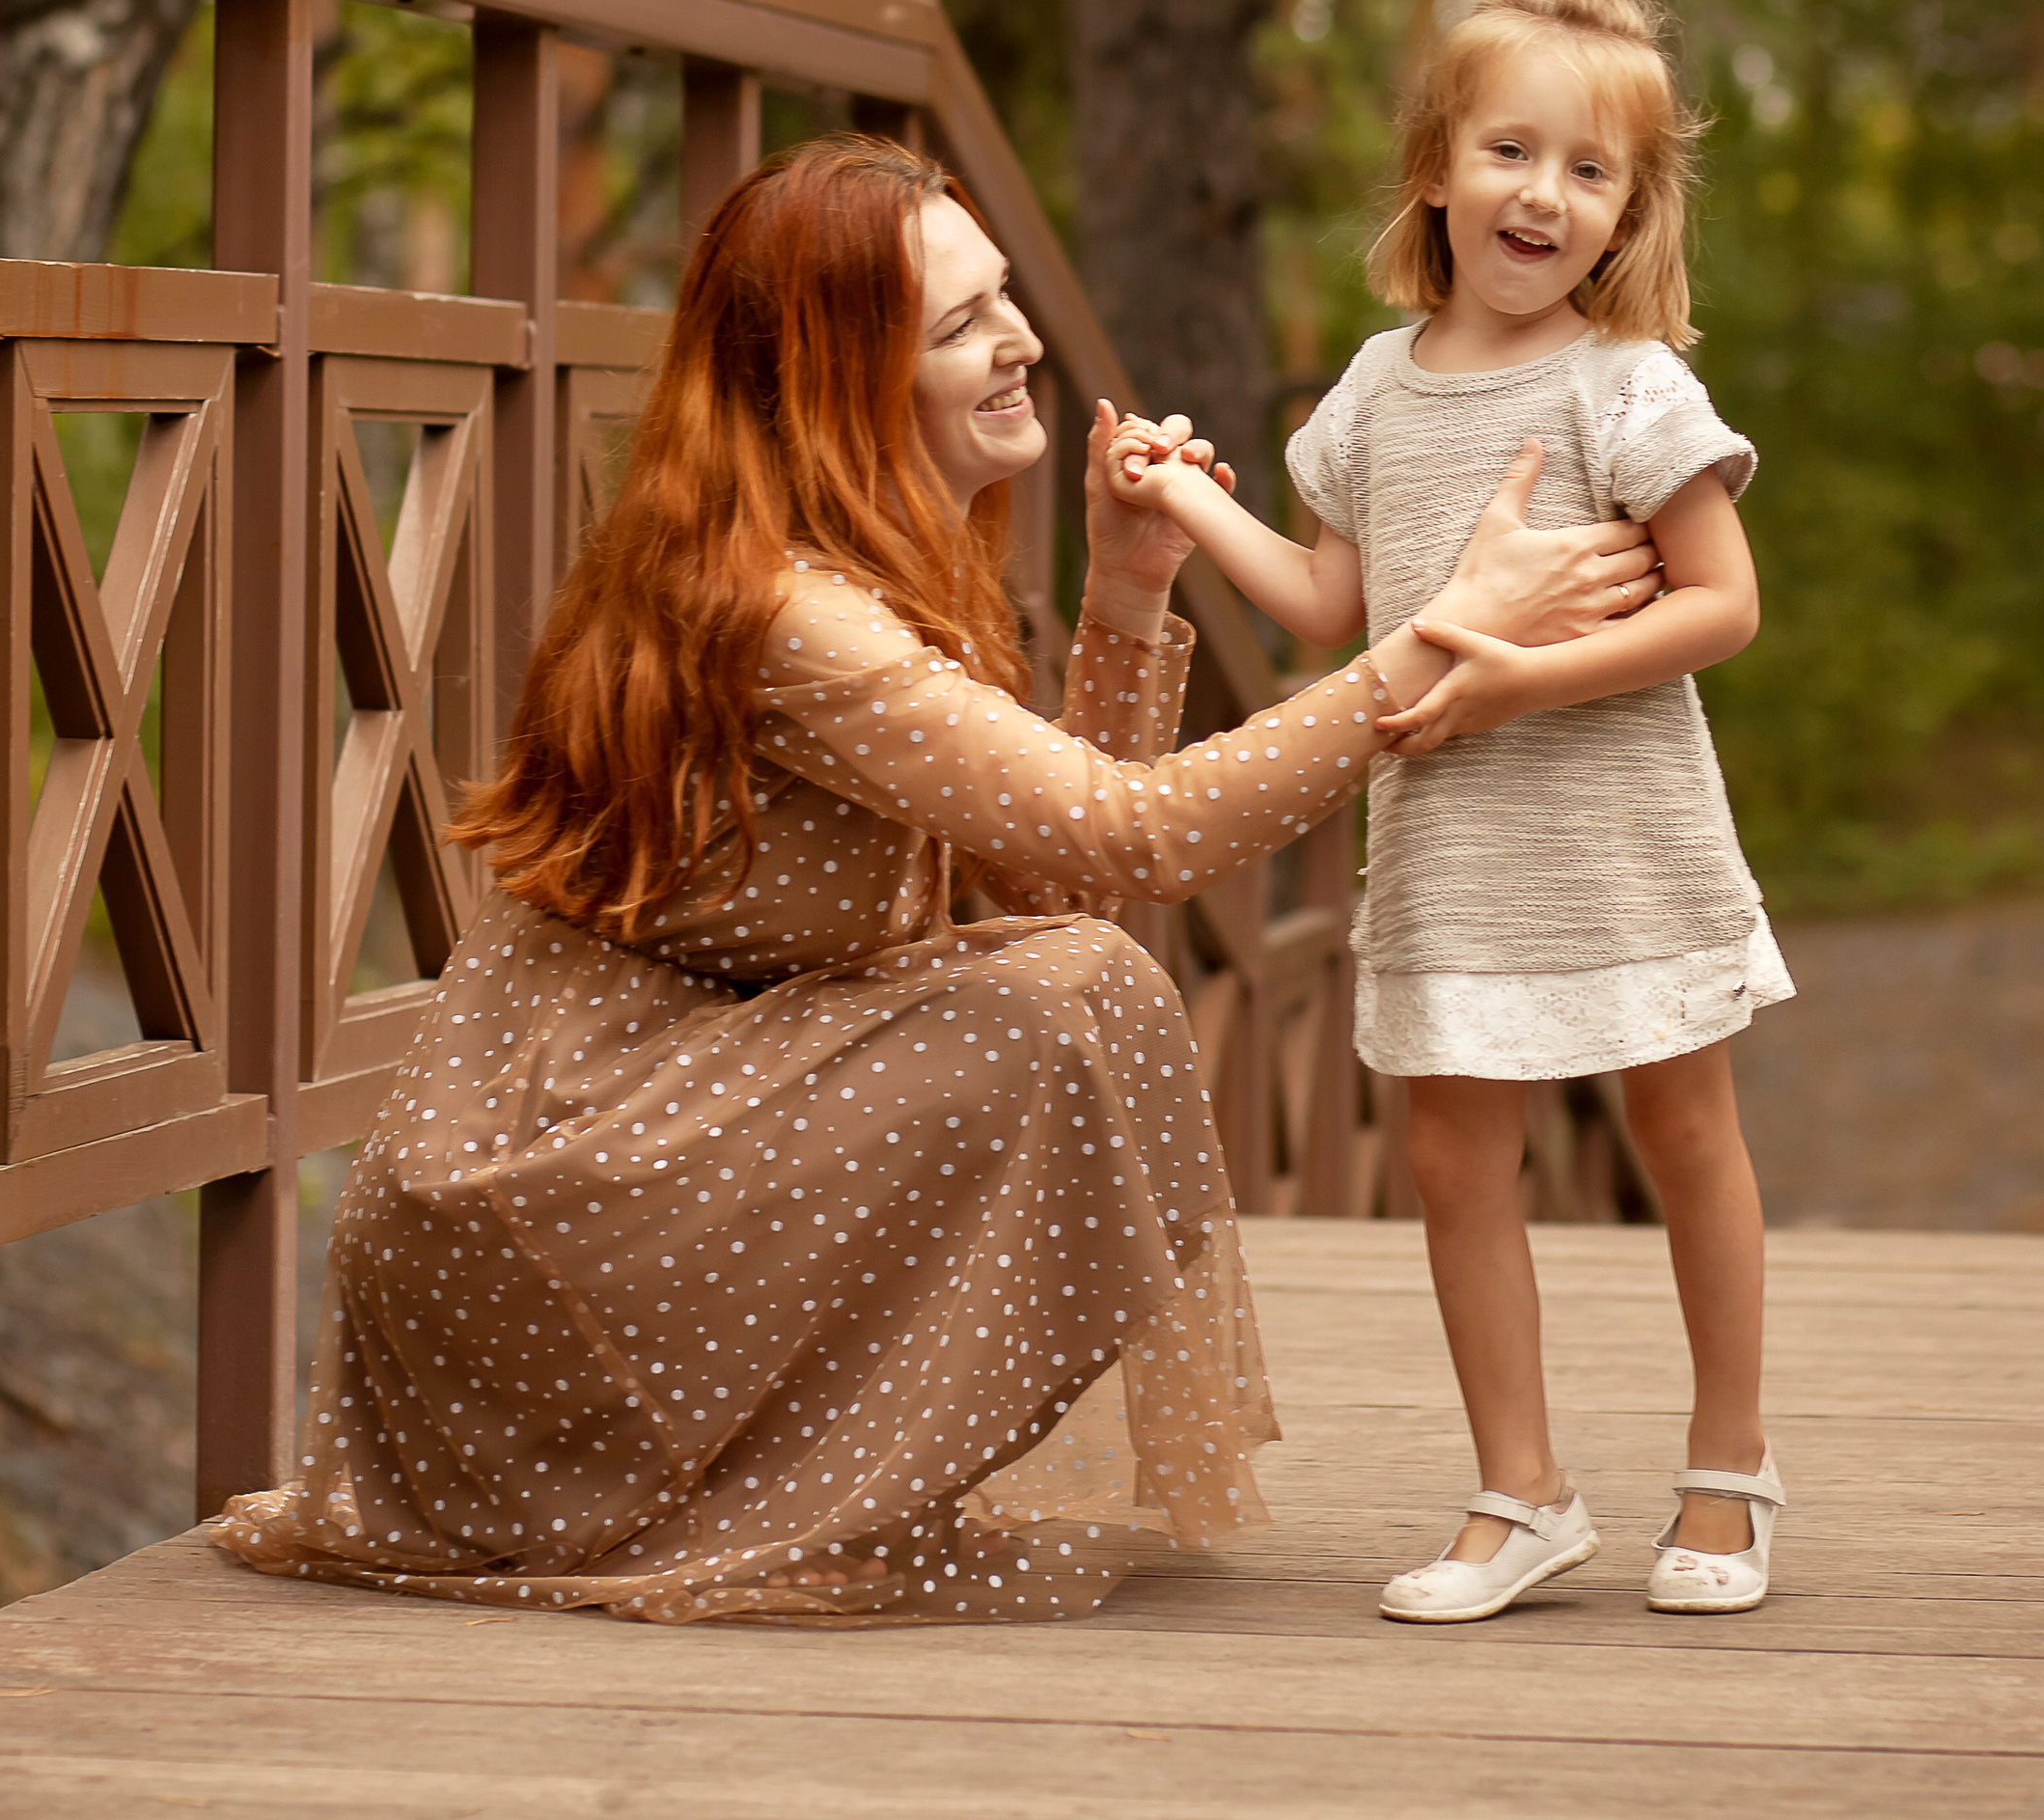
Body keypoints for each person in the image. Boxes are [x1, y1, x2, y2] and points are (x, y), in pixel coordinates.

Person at [208, 132, 1664, 1627]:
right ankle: (722, 1491)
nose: (1021, 338)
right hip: (550, 1225)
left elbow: (1044, 889)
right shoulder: (785, 613)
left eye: (1005, 297)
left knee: (1059, 988)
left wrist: (1125, 591)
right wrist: (1440, 639)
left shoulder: (850, 563)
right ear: (840, 374)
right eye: (960, 324)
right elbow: (1129, 843)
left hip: (641, 1144)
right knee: (1065, 1003)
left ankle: (778, 1472)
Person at [1106, 0, 1792, 1623]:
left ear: (1628, 213)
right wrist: (1185, 506)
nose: (1541, 194)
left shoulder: (1623, 388)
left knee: (1681, 1123)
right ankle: (1524, 1490)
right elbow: (1334, 611)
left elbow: (1724, 606)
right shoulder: (1370, 388)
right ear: (1435, 166)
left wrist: (1511, 677)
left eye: (1588, 170)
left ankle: (1730, 1468)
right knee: (1449, 1152)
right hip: (1450, 846)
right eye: (1509, 151)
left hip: (1617, 833)